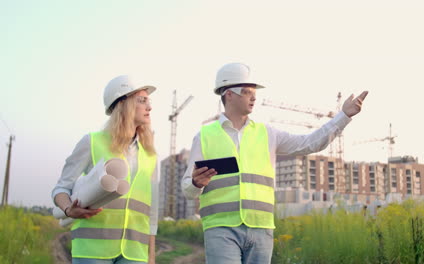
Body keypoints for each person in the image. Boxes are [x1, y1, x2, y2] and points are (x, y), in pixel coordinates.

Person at [181, 62, 368, 264]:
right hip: (220, 229)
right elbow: (187, 189)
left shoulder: (267, 133)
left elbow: (309, 143)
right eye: (246, 92)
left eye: (254, 92)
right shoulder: (205, 136)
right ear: (228, 94)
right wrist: (196, 183)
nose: (253, 97)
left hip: (261, 229)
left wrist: (344, 116)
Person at [51, 75, 159, 264]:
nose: (149, 107)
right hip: (92, 251)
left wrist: (150, 256)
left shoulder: (150, 155)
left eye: (148, 101)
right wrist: (68, 209)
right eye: (142, 100)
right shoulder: (91, 142)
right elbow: (61, 188)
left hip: (135, 253)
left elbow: (152, 211)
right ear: (123, 103)